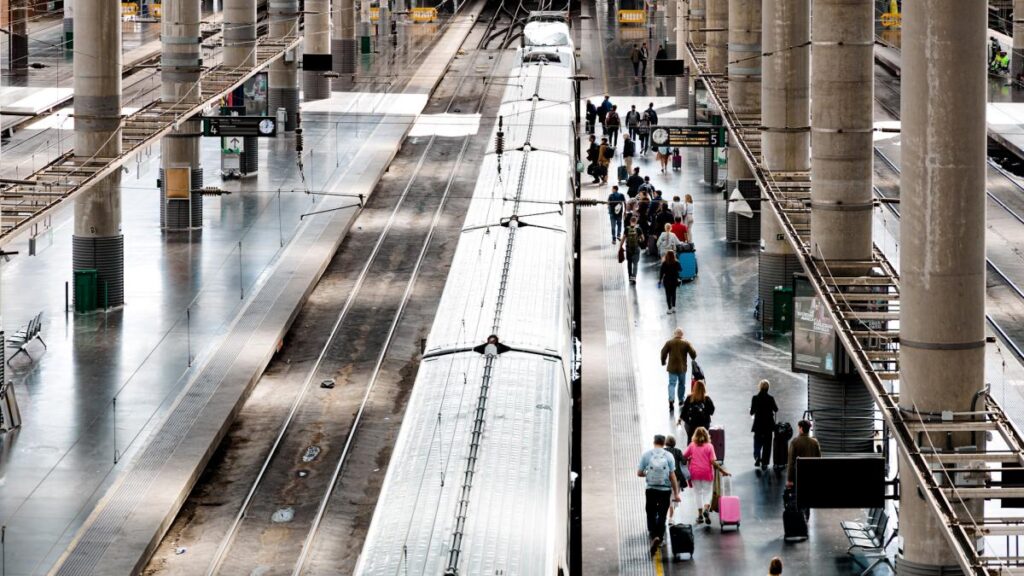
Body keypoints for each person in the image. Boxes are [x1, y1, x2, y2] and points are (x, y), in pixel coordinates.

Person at [637, 434, 682, 554]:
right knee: (662, 514)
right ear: (663, 443)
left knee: (651, 512)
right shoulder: (669, 456)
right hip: (665, 490)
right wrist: (676, 494)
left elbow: (639, 473)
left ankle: (653, 535)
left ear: (654, 442)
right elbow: (672, 476)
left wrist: (648, 473)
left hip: (651, 489)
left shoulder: (647, 455)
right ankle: (659, 537)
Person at [683, 427, 730, 525]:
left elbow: (684, 456)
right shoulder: (709, 446)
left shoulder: (692, 445)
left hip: (694, 472)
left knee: (697, 493)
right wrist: (722, 471)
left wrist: (690, 458)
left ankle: (700, 515)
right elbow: (713, 461)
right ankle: (706, 508)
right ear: (706, 435)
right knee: (707, 492)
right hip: (706, 472)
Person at [787, 420, 822, 520]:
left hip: (798, 476)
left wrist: (789, 479)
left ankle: (799, 519)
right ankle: (807, 517)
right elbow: (819, 460)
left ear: (801, 428)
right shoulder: (814, 442)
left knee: (798, 496)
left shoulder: (795, 442)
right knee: (807, 497)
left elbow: (791, 463)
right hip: (810, 476)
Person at [661, 328, 698, 412]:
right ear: (682, 335)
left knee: (672, 384)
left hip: (672, 368)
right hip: (682, 368)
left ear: (675, 334)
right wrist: (692, 354)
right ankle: (681, 401)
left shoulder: (669, 342)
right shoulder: (686, 343)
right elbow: (694, 354)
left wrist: (663, 361)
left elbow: (663, 352)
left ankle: (671, 400)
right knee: (682, 384)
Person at [750, 379, 779, 471]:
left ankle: (757, 456)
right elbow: (776, 409)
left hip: (758, 425)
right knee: (767, 445)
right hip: (768, 425)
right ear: (768, 388)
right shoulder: (770, 398)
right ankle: (765, 463)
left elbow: (751, 412)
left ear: (760, 387)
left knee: (757, 442)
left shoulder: (755, 398)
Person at [664, 435, 688, 522]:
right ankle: (671, 517)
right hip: (677, 477)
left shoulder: (663, 451)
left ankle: (668, 516)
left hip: (665, 476)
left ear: (666, 442)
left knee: (668, 496)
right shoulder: (678, 451)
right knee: (674, 496)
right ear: (674, 443)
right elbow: (684, 462)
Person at [620, 216, 643, 283]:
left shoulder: (627, 229)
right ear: (636, 222)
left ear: (630, 221)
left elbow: (623, 239)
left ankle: (630, 277)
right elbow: (643, 239)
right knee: (635, 263)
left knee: (629, 263)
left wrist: (620, 247)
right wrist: (639, 239)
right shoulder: (638, 229)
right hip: (636, 248)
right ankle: (634, 277)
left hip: (628, 248)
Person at [659, 250, 682, 314]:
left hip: (667, 281)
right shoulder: (676, 262)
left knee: (668, 295)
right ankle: (674, 307)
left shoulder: (664, 263)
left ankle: (669, 309)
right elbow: (680, 269)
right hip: (674, 280)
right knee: (673, 293)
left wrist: (660, 280)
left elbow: (661, 273)